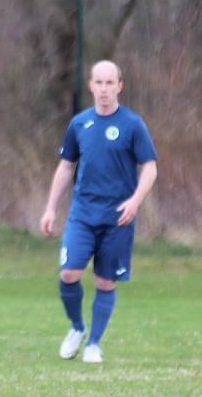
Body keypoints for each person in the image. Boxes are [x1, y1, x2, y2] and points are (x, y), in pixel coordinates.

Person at [38, 60, 158, 364]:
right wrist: (50, 208)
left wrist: (135, 201)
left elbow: (150, 167)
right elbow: (66, 167)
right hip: (82, 214)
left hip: (118, 217)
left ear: (119, 86)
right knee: (69, 273)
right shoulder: (79, 124)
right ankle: (77, 327)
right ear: (91, 86)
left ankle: (93, 343)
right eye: (99, 83)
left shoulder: (132, 124)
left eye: (110, 83)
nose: (104, 89)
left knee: (105, 281)